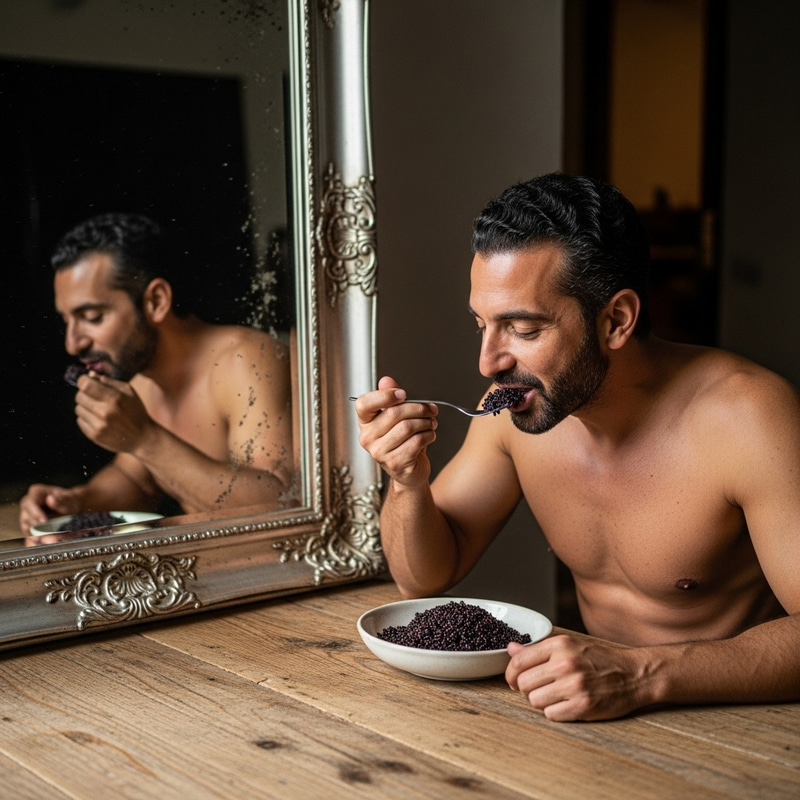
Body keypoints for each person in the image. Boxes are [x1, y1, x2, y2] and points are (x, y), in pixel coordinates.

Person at [354, 173, 800, 722]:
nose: (488, 363)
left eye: (522, 328)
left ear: (616, 320)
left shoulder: (749, 418)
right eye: (483, 325)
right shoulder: (513, 412)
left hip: (737, 732)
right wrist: (407, 480)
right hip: (593, 720)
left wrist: (641, 674)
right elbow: (422, 576)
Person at [20, 213, 295, 535]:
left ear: (156, 301)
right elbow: (134, 479)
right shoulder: (142, 380)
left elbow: (282, 504)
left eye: (92, 317)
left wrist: (145, 438)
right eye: (67, 320)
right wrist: (76, 502)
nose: (72, 343)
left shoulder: (246, 361)